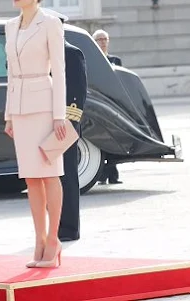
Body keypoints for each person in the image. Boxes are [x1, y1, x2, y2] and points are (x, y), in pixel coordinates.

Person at [3, 0, 66, 268]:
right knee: (31, 177)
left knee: (49, 173)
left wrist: (59, 116)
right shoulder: (11, 26)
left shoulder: (50, 23)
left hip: (44, 105)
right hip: (19, 107)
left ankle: (53, 239)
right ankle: (39, 239)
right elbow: (11, 73)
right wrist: (8, 116)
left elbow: (61, 72)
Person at [58, 40, 87, 242]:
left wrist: (69, 120)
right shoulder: (45, 53)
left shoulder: (71, 53)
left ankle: (69, 228)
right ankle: (55, 226)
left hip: (67, 121)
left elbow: (78, 92)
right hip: (48, 121)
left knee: (67, 176)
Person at [93, 29, 123, 185]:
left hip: (114, 103)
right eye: (99, 39)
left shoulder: (116, 60)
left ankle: (113, 175)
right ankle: (101, 175)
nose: (103, 42)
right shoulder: (92, 60)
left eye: (105, 39)